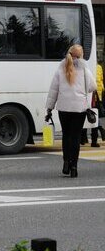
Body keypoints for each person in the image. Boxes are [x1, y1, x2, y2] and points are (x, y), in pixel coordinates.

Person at [45, 44, 97, 178]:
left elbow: (53, 91)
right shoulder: (85, 69)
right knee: (76, 137)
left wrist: (49, 108)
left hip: (63, 108)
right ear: (80, 56)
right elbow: (92, 86)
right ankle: (74, 167)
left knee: (66, 135)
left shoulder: (60, 69)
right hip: (79, 109)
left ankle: (66, 162)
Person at [81, 63, 105, 147]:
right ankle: (91, 139)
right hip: (95, 96)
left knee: (87, 117)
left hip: (91, 96)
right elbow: (100, 82)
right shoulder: (97, 67)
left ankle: (85, 139)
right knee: (92, 117)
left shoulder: (84, 67)